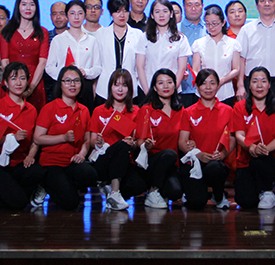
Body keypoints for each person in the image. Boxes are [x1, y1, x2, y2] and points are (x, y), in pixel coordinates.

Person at [33, 66, 98, 210]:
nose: (72, 85)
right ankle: (44, 185)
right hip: (52, 163)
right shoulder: (50, 108)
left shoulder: (84, 110)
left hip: (72, 163)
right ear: (60, 84)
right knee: (71, 203)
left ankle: (68, 186)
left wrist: (82, 154)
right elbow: (37, 138)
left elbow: (86, 140)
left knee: (90, 174)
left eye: (76, 81)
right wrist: (62, 138)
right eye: (67, 81)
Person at [0, 62, 45, 210]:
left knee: (39, 172)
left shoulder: (31, 110)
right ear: (5, 82)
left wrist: (30, 155)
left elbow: (35, 140)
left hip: (19, 162)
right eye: (13, 78)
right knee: (17, 203)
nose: (18, 83)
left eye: (22, 79)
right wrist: (11, 138)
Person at [232, 67, 275, 209]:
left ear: (269, 84)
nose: (259, 85)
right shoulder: (239, 107)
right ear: (249, 85)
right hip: (246, 161)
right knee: (246, 202)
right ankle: (258, 190)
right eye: (255, 81)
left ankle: (268, 192)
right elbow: (239, 135)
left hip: (273, 160)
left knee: (260, 160)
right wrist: (251, 147)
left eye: (263, 81)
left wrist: (263, 150)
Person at [178, 69, 234, 210]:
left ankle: (218, 195)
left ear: (218, 85)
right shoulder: (188, 112)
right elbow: (182, 142)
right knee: (197, 203)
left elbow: (232, 138)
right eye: (203, 83)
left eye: (212, 83)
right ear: (196, 86)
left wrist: (223, 154)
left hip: (218, 163)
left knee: (215, 168)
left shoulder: (228, 111)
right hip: (195, 163)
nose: (208, 87)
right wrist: (198, 154)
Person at [89, 69, 143, 211]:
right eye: (116, 85)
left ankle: (110, 190)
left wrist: (133, 144)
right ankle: (114, 192)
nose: (120, 89)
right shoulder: (99, 110)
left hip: (125, 162)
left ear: (130, 89)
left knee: (138, 185)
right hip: (103, 159)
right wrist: (97, 142)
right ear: (110, 87)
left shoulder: (136, 111)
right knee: (121, 145)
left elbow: (138, 141)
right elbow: (92, 141)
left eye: (124, 85)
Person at [135, 69, 185, 208]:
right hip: (152, 162)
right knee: (169, 154)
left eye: (169, 82)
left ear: (175, 85)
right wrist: (146, 145)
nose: (166, 86)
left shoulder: (181, 111)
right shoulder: (146, 109)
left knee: (175, 192)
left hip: (172, 164)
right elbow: (139, 141)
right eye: (161, 83)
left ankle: (162, 189)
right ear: (155, 88)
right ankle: (152, 191)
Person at [45, 0, 101, 111]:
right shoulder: (58, 40)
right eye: (72, 13)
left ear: (85, 15)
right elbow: (49, 67)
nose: (76, 17)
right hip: (63, 87)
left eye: (80, 13)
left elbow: (97, 67)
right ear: (67, 16)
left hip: (85, 86)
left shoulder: (92, 40)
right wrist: (64, 76)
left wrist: (86, 72)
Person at [0, 0, 49, 111]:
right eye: (24, 4)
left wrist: (30, 88)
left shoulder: (43, 33)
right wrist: (13, 83)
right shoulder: (7, 31)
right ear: (18, 7)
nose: (28, 8)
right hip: (11, 82)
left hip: (35, 81)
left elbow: (42, 62)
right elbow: (4, 62)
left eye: (32, 4)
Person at [94, 0, 146, 105]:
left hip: (130, 88)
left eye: (125, 11)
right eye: (117, 11)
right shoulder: (101, 34)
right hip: (105, 89)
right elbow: (97, 64)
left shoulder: (138, 34)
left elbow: (140, 65)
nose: (122, 15)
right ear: (111, 13)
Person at [136, 0, 192, 94]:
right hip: (147, 89)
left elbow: (181, 68)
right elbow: (140, 67)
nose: (161, 15)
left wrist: (172, 91)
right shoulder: (144, 37)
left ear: (171, 14)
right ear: (152, 15)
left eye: (165, 11)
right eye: (157, 12)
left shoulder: (180, 38)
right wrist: (147, 92)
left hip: (172, 91)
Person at [191, 4, 242, 106]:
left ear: (223, 22)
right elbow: (195, 69)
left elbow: (236, 69)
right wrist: (204, 82)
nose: (211, 27)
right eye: (208, 24)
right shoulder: (199, 44)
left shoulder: (233, 43)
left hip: (226, 92)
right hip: (203, 93)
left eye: (214, 23)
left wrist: (222, 80)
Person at [180, 0, 207, 107]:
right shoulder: (175, 30)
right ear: (184, 6)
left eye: (197, 5)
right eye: (189, 5)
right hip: (182, 88)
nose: (193, 8)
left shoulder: (210, 29)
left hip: (206, 89)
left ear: (202, 6)